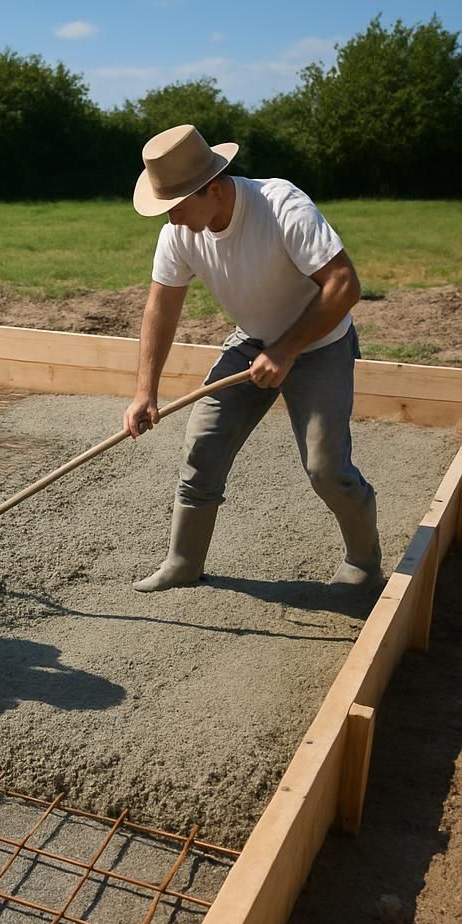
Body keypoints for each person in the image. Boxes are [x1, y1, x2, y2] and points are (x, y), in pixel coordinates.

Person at [123, 124, 382, 593]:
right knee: (203, 444)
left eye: (177, 207)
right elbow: (160, 308)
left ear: (215, 191)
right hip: (252, 341)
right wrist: (145, 392)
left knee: (327, 469)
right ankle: (184, 562)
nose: (172, 220)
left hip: (320, 342)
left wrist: (286, 350)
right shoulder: (178, 234)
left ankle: (363, 563)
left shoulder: (280, 205)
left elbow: (344, 285)